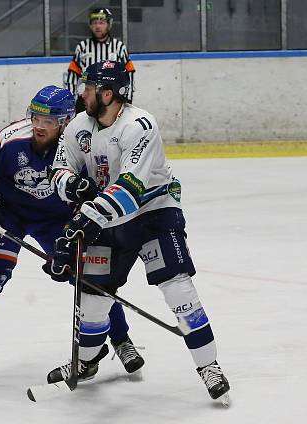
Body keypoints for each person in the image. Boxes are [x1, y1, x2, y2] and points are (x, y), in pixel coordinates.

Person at [45, 60, 230, 403]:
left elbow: (130, 189)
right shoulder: (77, 128)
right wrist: (71, 186)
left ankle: (209, 366)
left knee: (178, 288)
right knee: (93, 296)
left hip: (153, 213)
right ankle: (84, 362)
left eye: (88, 87)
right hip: (105, 218)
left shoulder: (139, 125)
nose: (81, 93)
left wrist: (83, 221)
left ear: (108, 93)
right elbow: (59, 168)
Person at [0, 85, 145, 389]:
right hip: (9, 212)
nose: (39, 126)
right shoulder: (11, 139)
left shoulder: (83, 146)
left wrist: (81, 225)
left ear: (66, 121)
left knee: (90, 275)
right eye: (36, 117)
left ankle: (121, 339)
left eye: (49, 120)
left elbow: (95, 192)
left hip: (56, 218)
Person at [64, 8, 135, 113]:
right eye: (94, 23)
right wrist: (71, 102)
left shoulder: (119, 47)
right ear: (90, 25)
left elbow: (129, 74)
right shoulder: (82, 47)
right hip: (86, 100)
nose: (98, 26)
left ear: (109, 24)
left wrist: (127, 99)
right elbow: (72, 77)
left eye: (101, 22)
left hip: (111, 99)